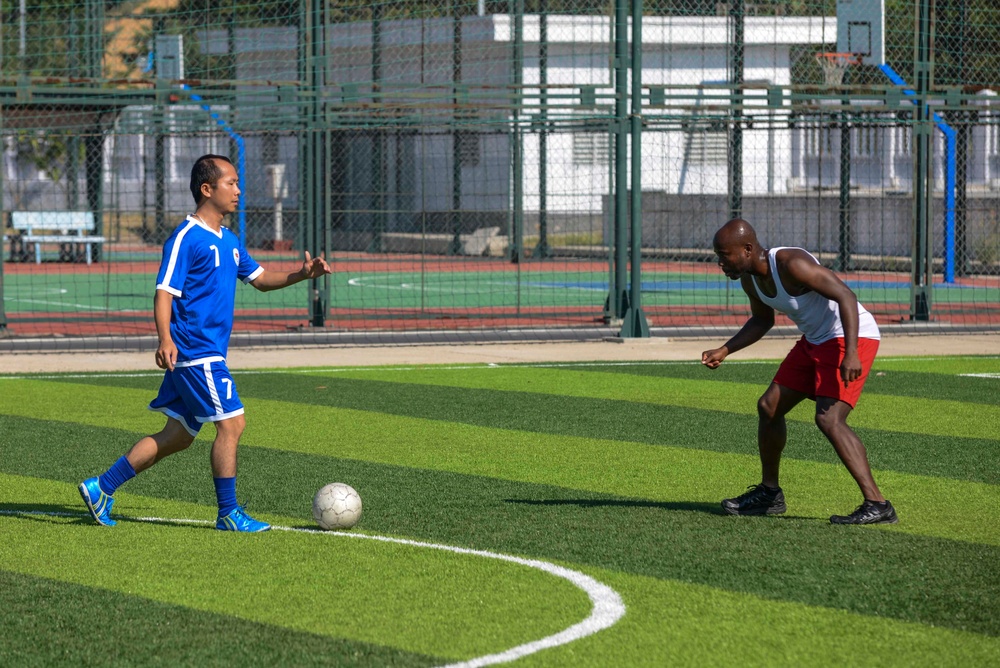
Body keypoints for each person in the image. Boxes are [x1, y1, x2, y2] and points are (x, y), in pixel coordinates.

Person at [79, 154, 332, 532]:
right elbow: (163, 293)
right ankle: (228, 513)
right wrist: (165, 338)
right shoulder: (185, 237)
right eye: (231, 182)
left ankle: (102, 487)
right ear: (207, 189)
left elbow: (260, 279)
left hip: (202, 353)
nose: (238, 190)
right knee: (233, 425)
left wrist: (302, 274)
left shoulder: (229, 240)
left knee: (176, 436)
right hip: (195, 351)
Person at [701, 218, 897, 525]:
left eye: (724, 254)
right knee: (769, 407)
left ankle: (878, 504)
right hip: (815, 340)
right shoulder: (750, 279)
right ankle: (769, 494)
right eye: (718, 255)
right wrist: (725, 350)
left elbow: (846, 296)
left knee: (829, 419)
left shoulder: (792, 264)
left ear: (748, 248)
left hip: (850, 336)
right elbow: (761, 320)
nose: (720, 262)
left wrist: (852, 353)